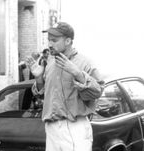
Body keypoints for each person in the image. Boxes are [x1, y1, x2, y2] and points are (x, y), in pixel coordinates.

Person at [26, 22, 104, 151]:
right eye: (49, 40)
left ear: (68, 41)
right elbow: (43, 95)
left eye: (54, 40)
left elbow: (98, 92)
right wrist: (39, 78)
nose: (50, 44)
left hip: (75, 127)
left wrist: (77, 73)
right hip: (52, 128)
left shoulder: (85, 63)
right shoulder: (50, 62)